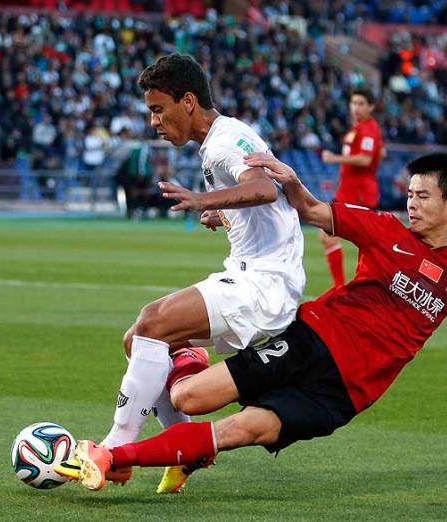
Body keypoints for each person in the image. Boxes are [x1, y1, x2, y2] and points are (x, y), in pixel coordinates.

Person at [58, 153, 447, 492]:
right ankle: (184, 360)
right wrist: (288, 180)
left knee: (243, 429)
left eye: (423, 196)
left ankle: (111, 459)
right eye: (410, 194)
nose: (411, 204)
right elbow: (309, 209)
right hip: (311, 340)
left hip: (344, 395)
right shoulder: (384, 228)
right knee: (187, 398)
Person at [87, 53, 306, 492]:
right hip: (248, 276)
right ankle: (186, 450)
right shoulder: (216, 144)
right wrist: (222, 216)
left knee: (153, 322)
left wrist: (205, 201)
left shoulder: (228, 140)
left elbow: (265, 188)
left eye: (157, 109)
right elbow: (254, 204)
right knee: (139, 340)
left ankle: (116, 449)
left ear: (187, 102)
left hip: (264, 285)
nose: (154, 121)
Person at [318, 89, 384, 288]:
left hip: (360, 195)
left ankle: (360, 287)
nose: (356, 108)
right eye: (354, 103)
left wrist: (334, 158)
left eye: (361, 103)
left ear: (371, 107)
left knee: (367, 245)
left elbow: (365, 159)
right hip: (347, 193)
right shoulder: (357, 129)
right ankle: (342, 288)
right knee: (328, 236)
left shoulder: (369, 129)